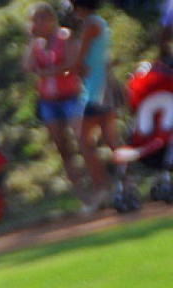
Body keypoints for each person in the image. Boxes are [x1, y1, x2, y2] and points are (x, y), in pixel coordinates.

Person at [23, 1, 86, 202]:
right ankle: (80, 192)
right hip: (48, 101)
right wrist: (29, 42)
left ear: (50, 20)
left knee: (81, 140)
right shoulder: (36, 45)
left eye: (40, 19)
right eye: (34, 20)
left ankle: (97, 181)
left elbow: (73, 63)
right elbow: (27, 67)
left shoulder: (64, 37)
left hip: (69, 96)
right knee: (62, 146)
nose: (37, 24)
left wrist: (50, 71)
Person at [71, 0, 119, 214]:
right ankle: (123, 185)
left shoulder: (90, 24)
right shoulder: (99, 23)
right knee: (111, 140)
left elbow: (79, 61)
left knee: (84, 142)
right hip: (103, 88)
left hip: (93, 91)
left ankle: (101, 189)